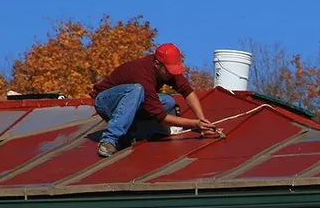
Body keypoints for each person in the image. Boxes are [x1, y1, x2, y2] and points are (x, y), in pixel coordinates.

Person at [91, 43, 223, 157]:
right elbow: (162, 116)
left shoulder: (166, 70)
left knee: (168, 101)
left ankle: (135, 132)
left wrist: (202, 121)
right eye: (168, 70)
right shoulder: (142, 72)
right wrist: (195, 124)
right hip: (105, 102)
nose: (171, 74)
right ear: (157, 64)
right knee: (136, 89)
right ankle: (109, 140)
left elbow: (188, 92)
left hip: (129, 102)